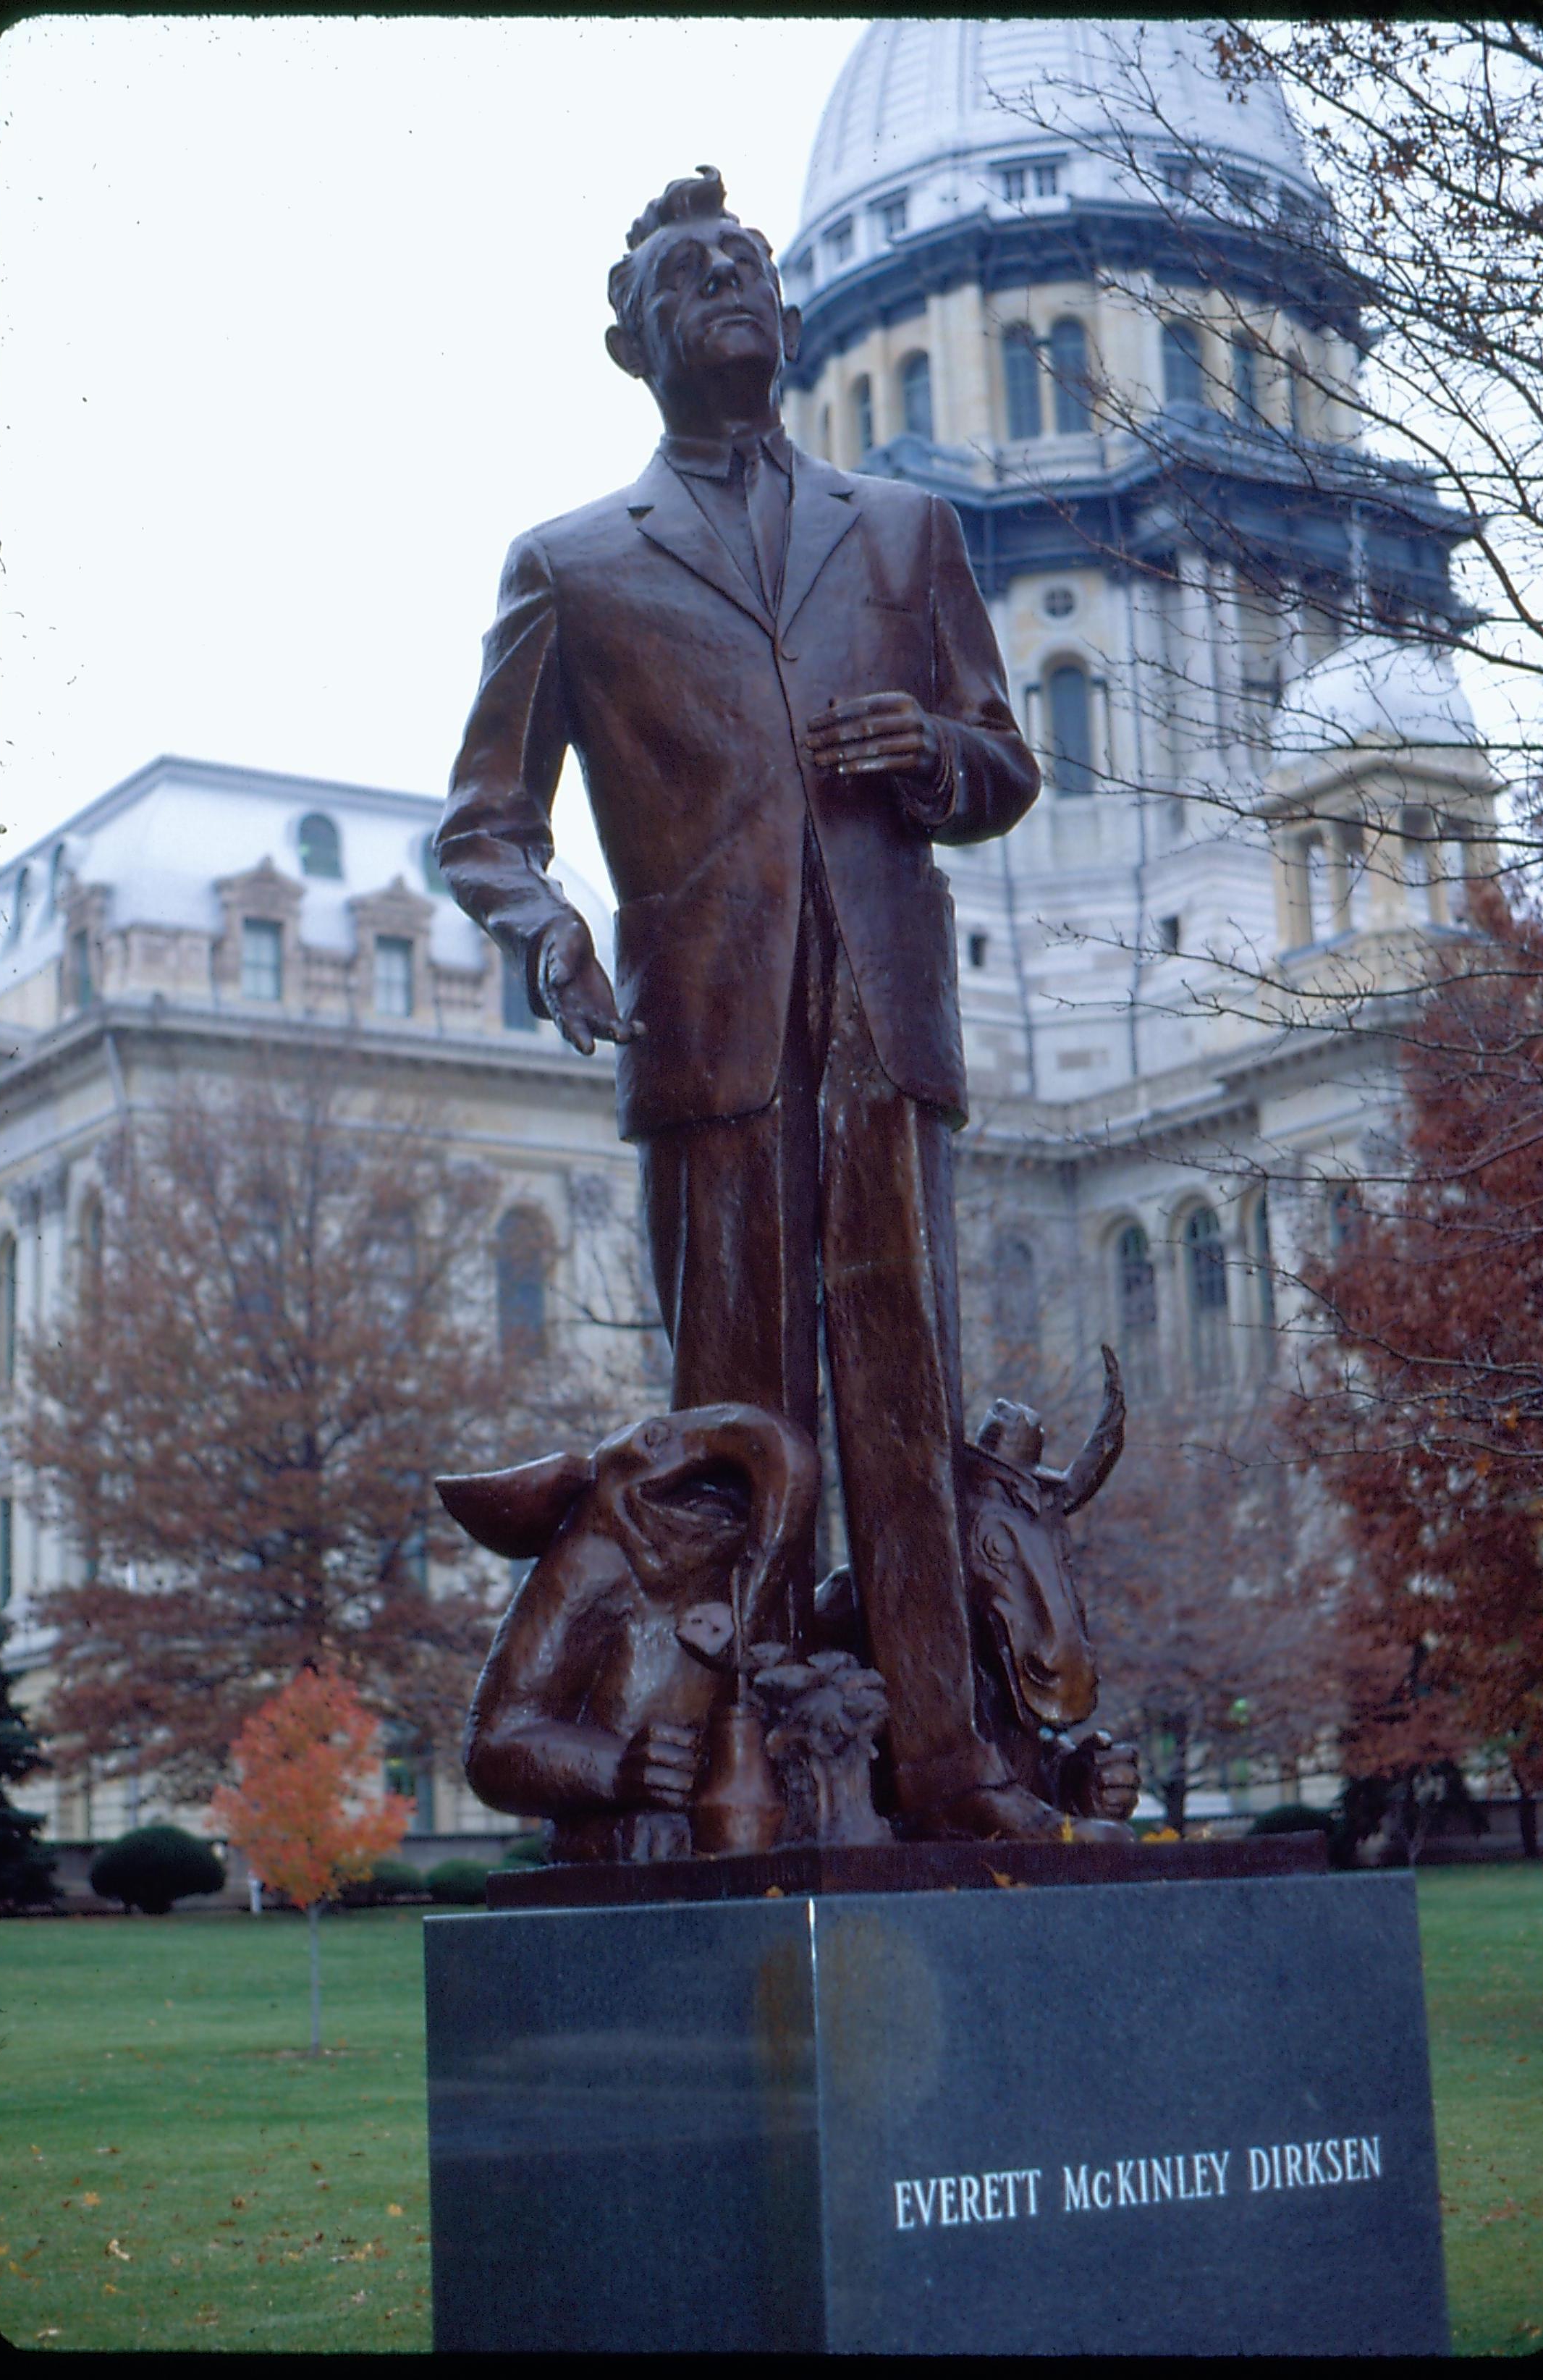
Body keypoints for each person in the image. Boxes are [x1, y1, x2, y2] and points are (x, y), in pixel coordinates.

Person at [439, 167, 1067, 1841]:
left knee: (906, 1391)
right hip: (707, 1030)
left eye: (746, 266)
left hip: (883, 1022)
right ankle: (753, 1773)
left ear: (783, 320)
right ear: (630, 339)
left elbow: (1006, 761)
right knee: (734, 1424)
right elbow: (486, 821)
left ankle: (943, 1756)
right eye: (687, 274)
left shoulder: (907, 530)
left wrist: (934, 756)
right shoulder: (572, 565)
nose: (725, 285)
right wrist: (543, 927)